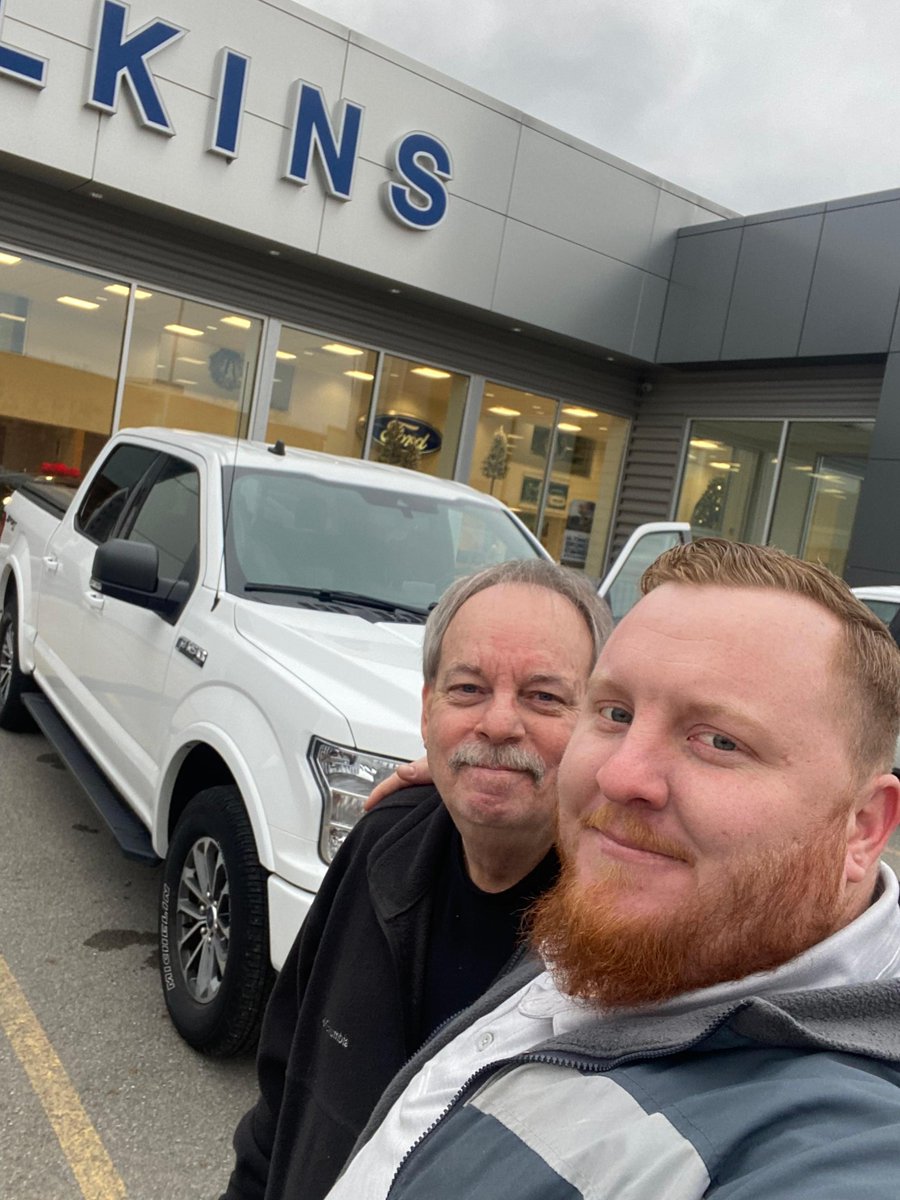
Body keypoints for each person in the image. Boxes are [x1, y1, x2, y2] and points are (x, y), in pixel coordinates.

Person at [325, 537, 900, 1200]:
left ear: (862, 828)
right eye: (616, 713)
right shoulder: (632, 924)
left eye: (718, 740)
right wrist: (476, 789)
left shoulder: (843, 1141)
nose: (620, 773)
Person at [222, 559, 611, 1200]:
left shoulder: (629, 939)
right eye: (467, 690)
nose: (498, 724)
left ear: (600, 721)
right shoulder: (382, 844)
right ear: (428, 710)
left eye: (544, 696)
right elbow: (282, 1095)